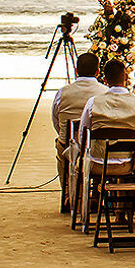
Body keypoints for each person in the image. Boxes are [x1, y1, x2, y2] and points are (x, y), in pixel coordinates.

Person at [75, 58, 135, 225]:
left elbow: (83, 134)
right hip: (127, 165)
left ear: (104, 80)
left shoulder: (93, 102)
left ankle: (88, 211)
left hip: (97, 164)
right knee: (132, 158)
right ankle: (121, 213)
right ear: (126, 76)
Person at [51, 51, 106, 213]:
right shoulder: (104, 92)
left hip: (69, 144)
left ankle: (68, 192)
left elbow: (56, 120)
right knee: (102, 147)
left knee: (61, 148)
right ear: (98, 71)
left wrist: (66, 136)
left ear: (76, 70)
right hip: (96, 147)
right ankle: (96, 193)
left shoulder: (63, 92)